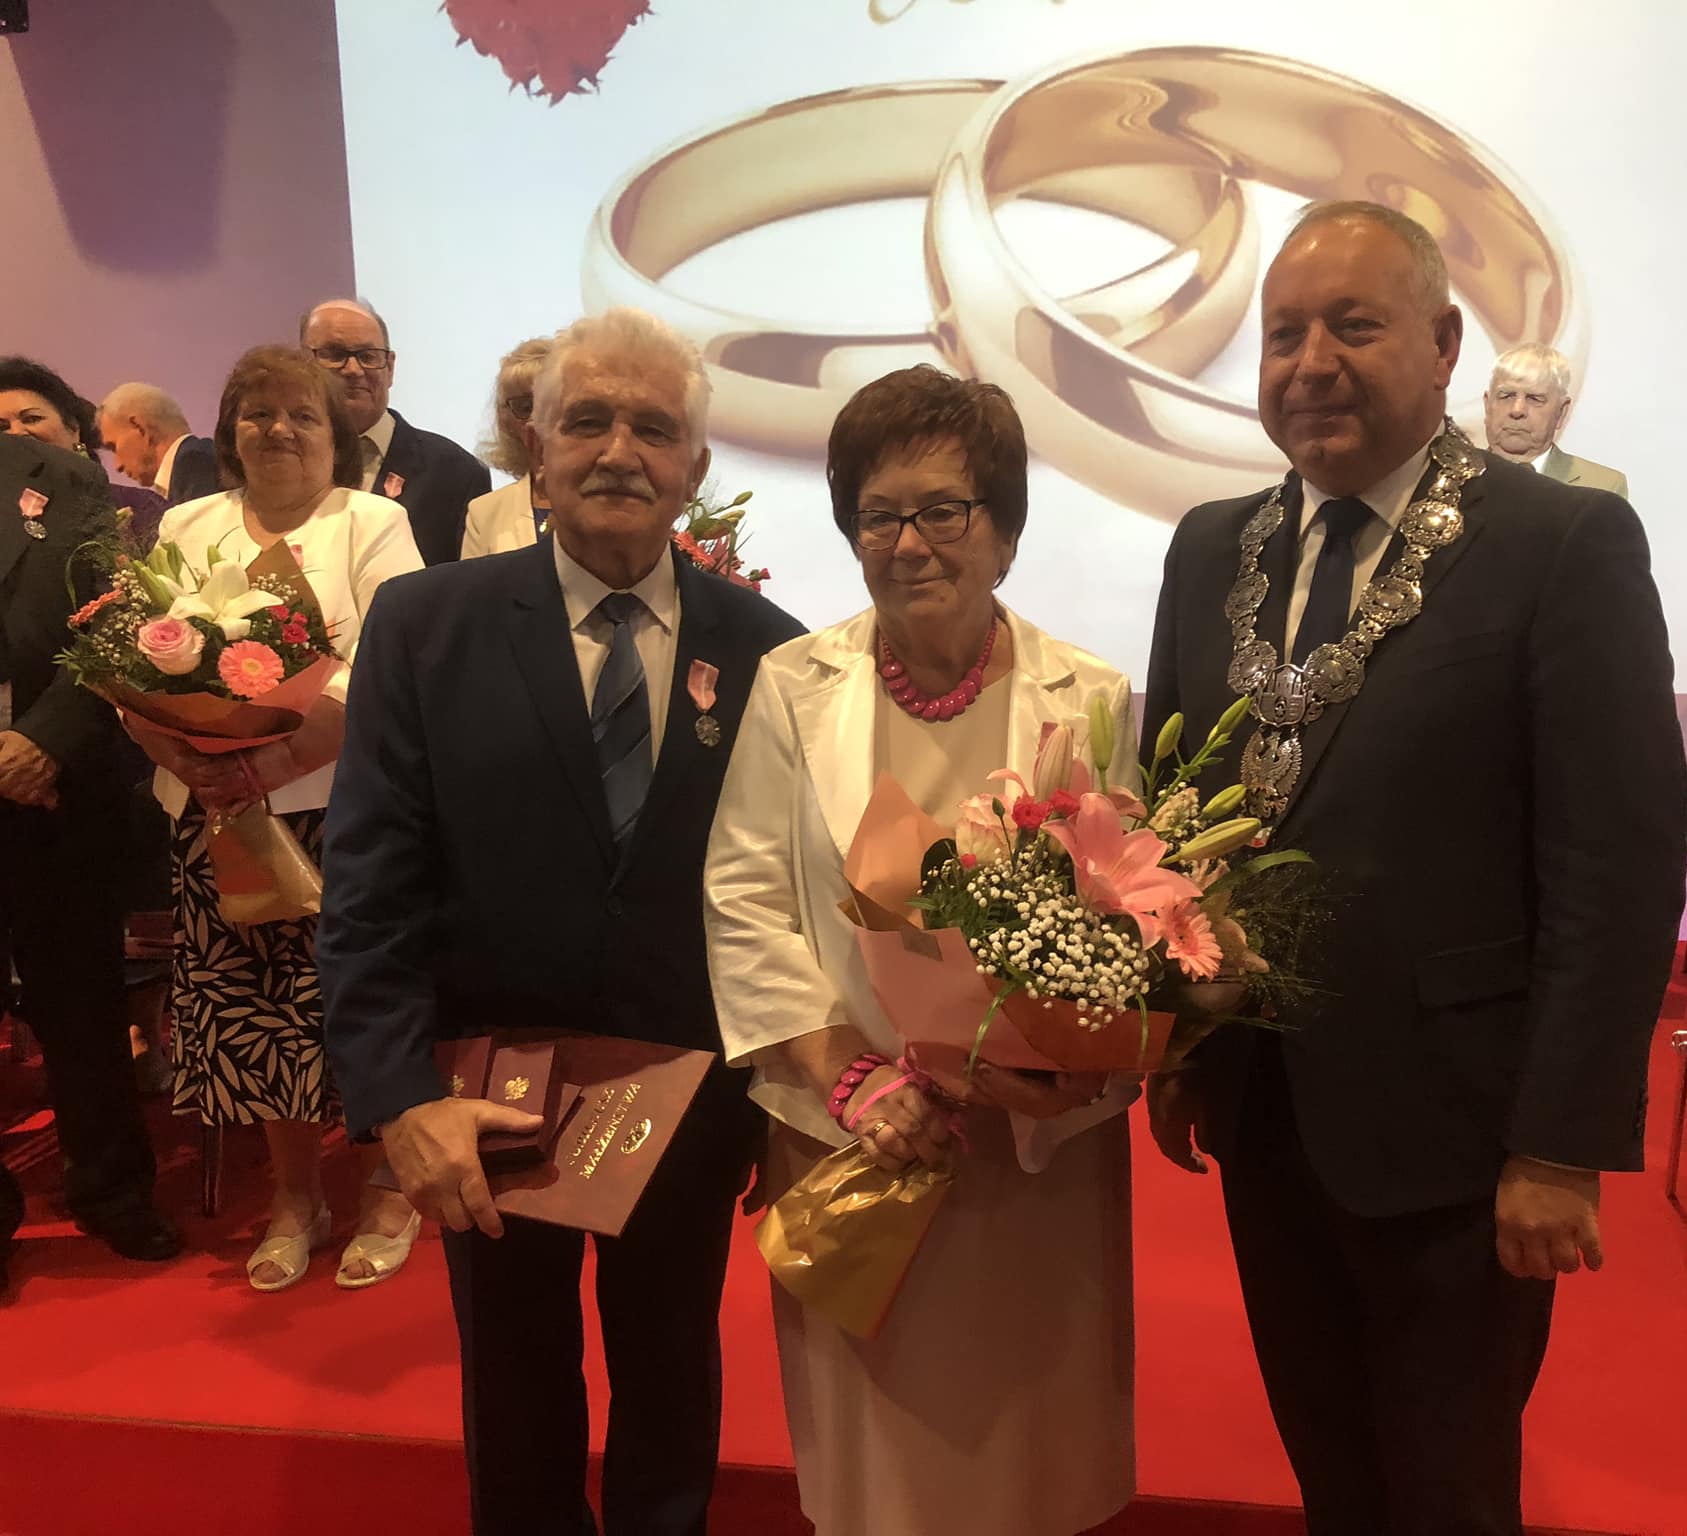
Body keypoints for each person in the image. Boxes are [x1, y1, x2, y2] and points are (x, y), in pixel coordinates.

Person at [1143, 202, 1686, 1534]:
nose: (1311, 364)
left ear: (1444, 345)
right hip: (1264, 1111)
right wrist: (1172, 1045)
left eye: (1353, 326)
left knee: (1446, 1493)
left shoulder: (1560, 544)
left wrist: (1559, 1146)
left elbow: (1615, 867)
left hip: (1462, 1134)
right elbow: (1173, 818)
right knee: (1328, 1470)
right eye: (1284, 334)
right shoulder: (1210, 547)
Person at [319, 307, 803, 1536]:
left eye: (654, 428)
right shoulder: (425, 627)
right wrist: (396, 1097)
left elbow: (792, 898)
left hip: (690, 1103)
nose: (619, 452)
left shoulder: (774, 655)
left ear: (695, 465)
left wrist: (787, 1092)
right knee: (517, 1404)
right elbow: (368, 882)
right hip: (485, 1105)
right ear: (534, 448)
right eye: (586, 420)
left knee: (671, 1390)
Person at [705, 364, 1139, 1536]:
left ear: (1003, 530)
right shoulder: (793, 686)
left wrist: (1052, 1062)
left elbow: (1127, 909)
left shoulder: (1089, 694)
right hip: (854, 1130)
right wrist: (847, 1076)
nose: (907, 544)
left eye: (942, 509)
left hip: (1028, 1146)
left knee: (1033, 1438)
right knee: (879, 1466)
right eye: (877, 514)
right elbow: (744, 894)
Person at [127, 345, 424, 1292]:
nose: (279, 430)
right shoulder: (188, 523)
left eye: (302, 414)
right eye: (257, 414)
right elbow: (133, 657)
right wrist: (185, 753)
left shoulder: (372, 522)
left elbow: (388, 664)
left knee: (364, 1000)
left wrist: (273, 760)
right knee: (256, 1014)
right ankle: (297, 1198)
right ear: (229, 433)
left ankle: (389, 1184)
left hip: (346, 812)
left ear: (337, 435)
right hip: (216, 816)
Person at [0, 433, 182, 1291]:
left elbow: (118, 620)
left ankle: (112, 1191)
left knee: (80, 1006)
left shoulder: (58, 476)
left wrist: (44, 742)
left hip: (54, 789)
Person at [301, 297, 490, 566]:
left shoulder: (456, 474)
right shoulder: (274, 465)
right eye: (335, 354)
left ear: (390, 368)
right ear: (301, 364)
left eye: (368, 356)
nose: (353, 370)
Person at [0, 356, 169, 550]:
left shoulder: (139, 507)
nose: (16, 433)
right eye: (2, 427)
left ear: (73, 428)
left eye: (31, 418)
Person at [1482, 341, 1628, 497]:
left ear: (1561, 412)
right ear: (1487, 405)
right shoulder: (1463, 478)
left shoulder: (1603, 487)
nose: (1517, 410)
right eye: (1506, 396)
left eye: (1534, 398)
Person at [460, 336, 553, 558]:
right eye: (525, 407)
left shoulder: (608, 500)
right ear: (507, 419)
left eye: (550, 403)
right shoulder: (484, 512)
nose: (536, 420)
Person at [97, 382, 220, 507]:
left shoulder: (196, 461)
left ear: (140, 427)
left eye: (114, 447)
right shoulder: (189, 471)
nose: (117, 466)